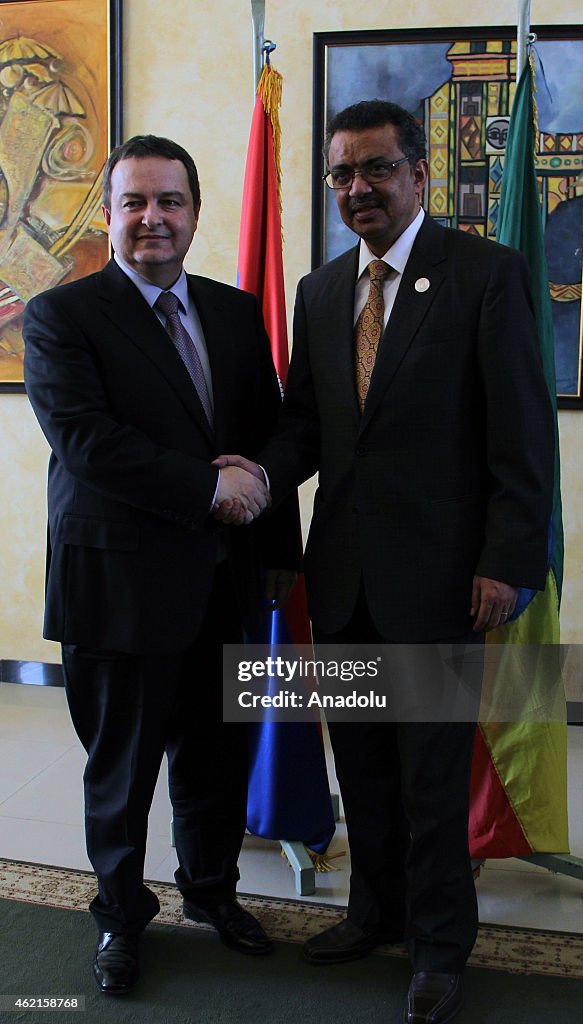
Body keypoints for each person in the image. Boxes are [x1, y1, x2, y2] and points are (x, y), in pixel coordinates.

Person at [215, 100, 555, 1024]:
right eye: (341, 175)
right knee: (363, 766)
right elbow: (304, 428)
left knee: (432, 780)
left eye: (374, 169)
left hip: (447, 585)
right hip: (347, 582)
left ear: (417, 175)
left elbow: (522, 437)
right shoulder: (322, 291)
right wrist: (253, 471)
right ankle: (374, 914)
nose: (356, 188)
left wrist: (507, 561)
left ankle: (442, 946)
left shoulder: (486, 275)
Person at [23, 135, 299, 996]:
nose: (153, 218)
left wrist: (270, 530)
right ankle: (118, 919)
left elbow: (269, 433)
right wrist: (208, 488)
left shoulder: (233, 310)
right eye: (135, 201)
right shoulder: (61, 316)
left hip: (225, 586)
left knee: (214, 763)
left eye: (169, 201)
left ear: (194, 211)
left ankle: (211, 894)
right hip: (117, 591)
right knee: (122, 772)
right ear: (109, 214)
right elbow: (89, 444)